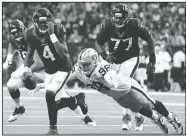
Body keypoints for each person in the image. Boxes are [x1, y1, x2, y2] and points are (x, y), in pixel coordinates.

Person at [72, 48, 183, 134]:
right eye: (82, 64)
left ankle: (172, 118)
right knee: (136, 108)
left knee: (148, 104)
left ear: (95, 61)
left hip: (126, 87)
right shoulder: (79, 70)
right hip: (116, 95)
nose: (83, 67)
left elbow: (109, 74)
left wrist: (112, 79)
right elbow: (67, 75)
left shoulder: (101, 68)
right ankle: (156, 118)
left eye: (86, 64)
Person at [23, 8, 95, 135]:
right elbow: (29, 56)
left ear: (50, 21)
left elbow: (63, 53)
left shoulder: (57, 29)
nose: (44, 25)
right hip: (50, 71)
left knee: (50, 96)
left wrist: (52, 35)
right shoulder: (30, 34)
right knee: (61, 98)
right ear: (35, 22)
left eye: (46, 22)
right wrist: (26, 70)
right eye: (40, 23)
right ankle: (80, 108)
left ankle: (53, 129)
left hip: (63, 67)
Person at [95, 3, 155, 131]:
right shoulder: (107, 25)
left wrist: (152, 60)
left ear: (127, 17)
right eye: (116, 17)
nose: (119, 20)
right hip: (114, 61)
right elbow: (98, 42)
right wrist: (104, 55)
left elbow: (150, 39)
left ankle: (127, 117)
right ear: (112, 17)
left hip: (131, 59)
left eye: (122, 17)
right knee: (117, 89)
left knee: (122, 84)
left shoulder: (135, 24)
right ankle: (138, 116)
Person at [3, 19, 45, 122]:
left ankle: (78, 105)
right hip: (30, 66)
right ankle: (19, 108)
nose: (16, 35)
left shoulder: (31, 38)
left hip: (46, 68)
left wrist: (25, 72)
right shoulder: (15, 39)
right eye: (13, 33)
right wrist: (9, 59)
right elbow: (12, 44)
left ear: (23, 30)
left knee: (57, 95)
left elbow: (39, 63)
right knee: (11, 85)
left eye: (17, 31)